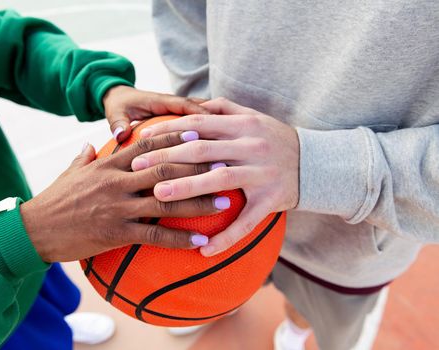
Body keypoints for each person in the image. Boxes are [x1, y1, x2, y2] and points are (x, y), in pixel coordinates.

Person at [0, 1, 225, 349]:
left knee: (36, 299)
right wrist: (19, 238)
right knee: (19, 328)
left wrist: (100, 83)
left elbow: (5, 45)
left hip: (8, 219)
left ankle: (53, 318)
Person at [143, 1, 439, 349]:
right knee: (213, 281)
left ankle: (296, 328)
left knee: (311, 309)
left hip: (349, 235)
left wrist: (313, 166)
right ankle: (215, 305)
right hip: (222, 195)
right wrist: (199, 98)